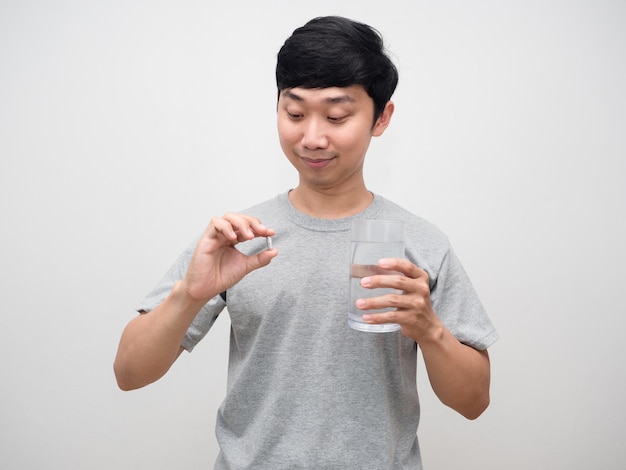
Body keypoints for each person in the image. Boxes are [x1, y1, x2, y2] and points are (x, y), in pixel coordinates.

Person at [114, 15, 498, 469]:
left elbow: (473, 402)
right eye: (294, 113)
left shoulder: (420, 242)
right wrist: (189, 294)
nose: (312, 137)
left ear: (382, 117)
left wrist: (429, 328)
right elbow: (129, 373)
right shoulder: (240, 237)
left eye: (337, 116)